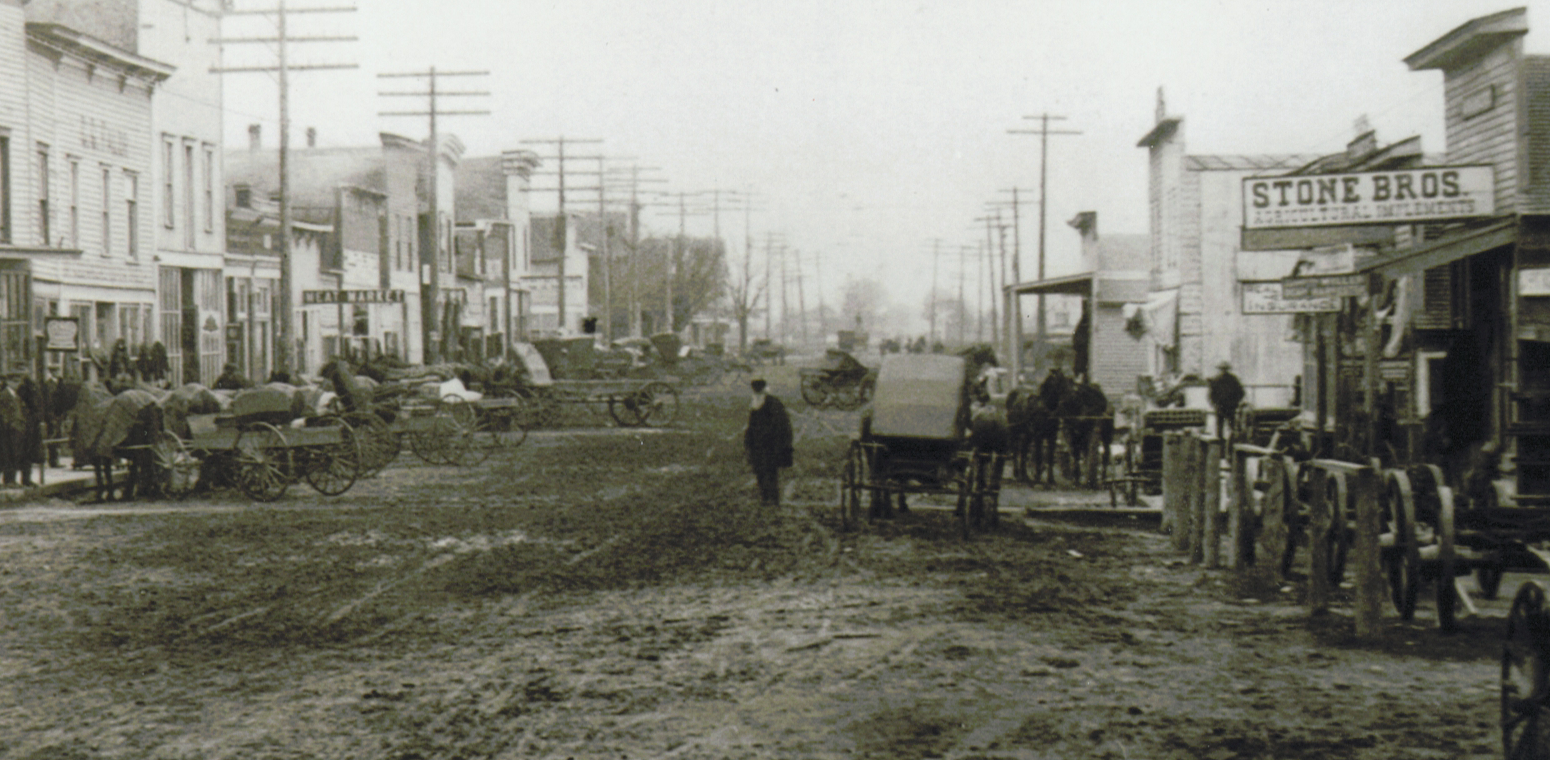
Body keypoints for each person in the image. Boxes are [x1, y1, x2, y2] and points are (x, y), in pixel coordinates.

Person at [743, 378, 793, 506]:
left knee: (770, 471)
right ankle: (765, 497)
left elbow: (781, 423)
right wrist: (749, 441)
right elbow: (751, 424)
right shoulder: (756, 402)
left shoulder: (772, 402)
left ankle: (773, 498)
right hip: (758, 444)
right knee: (760, 470)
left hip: (771, 443)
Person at [1209, 361, 1245, 440]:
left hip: (1223, 406)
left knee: (1222, 427)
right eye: (1223, 369)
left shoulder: (1216, 379)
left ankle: (1223, 443)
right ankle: (1231, 443)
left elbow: (1211, 395)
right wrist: (1235, 402)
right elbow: (1241, 393)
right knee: (1229, 426)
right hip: (1228, 406)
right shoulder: (1233, 379)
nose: (1224, 371)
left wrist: (1215, 404)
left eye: (1224, 369)